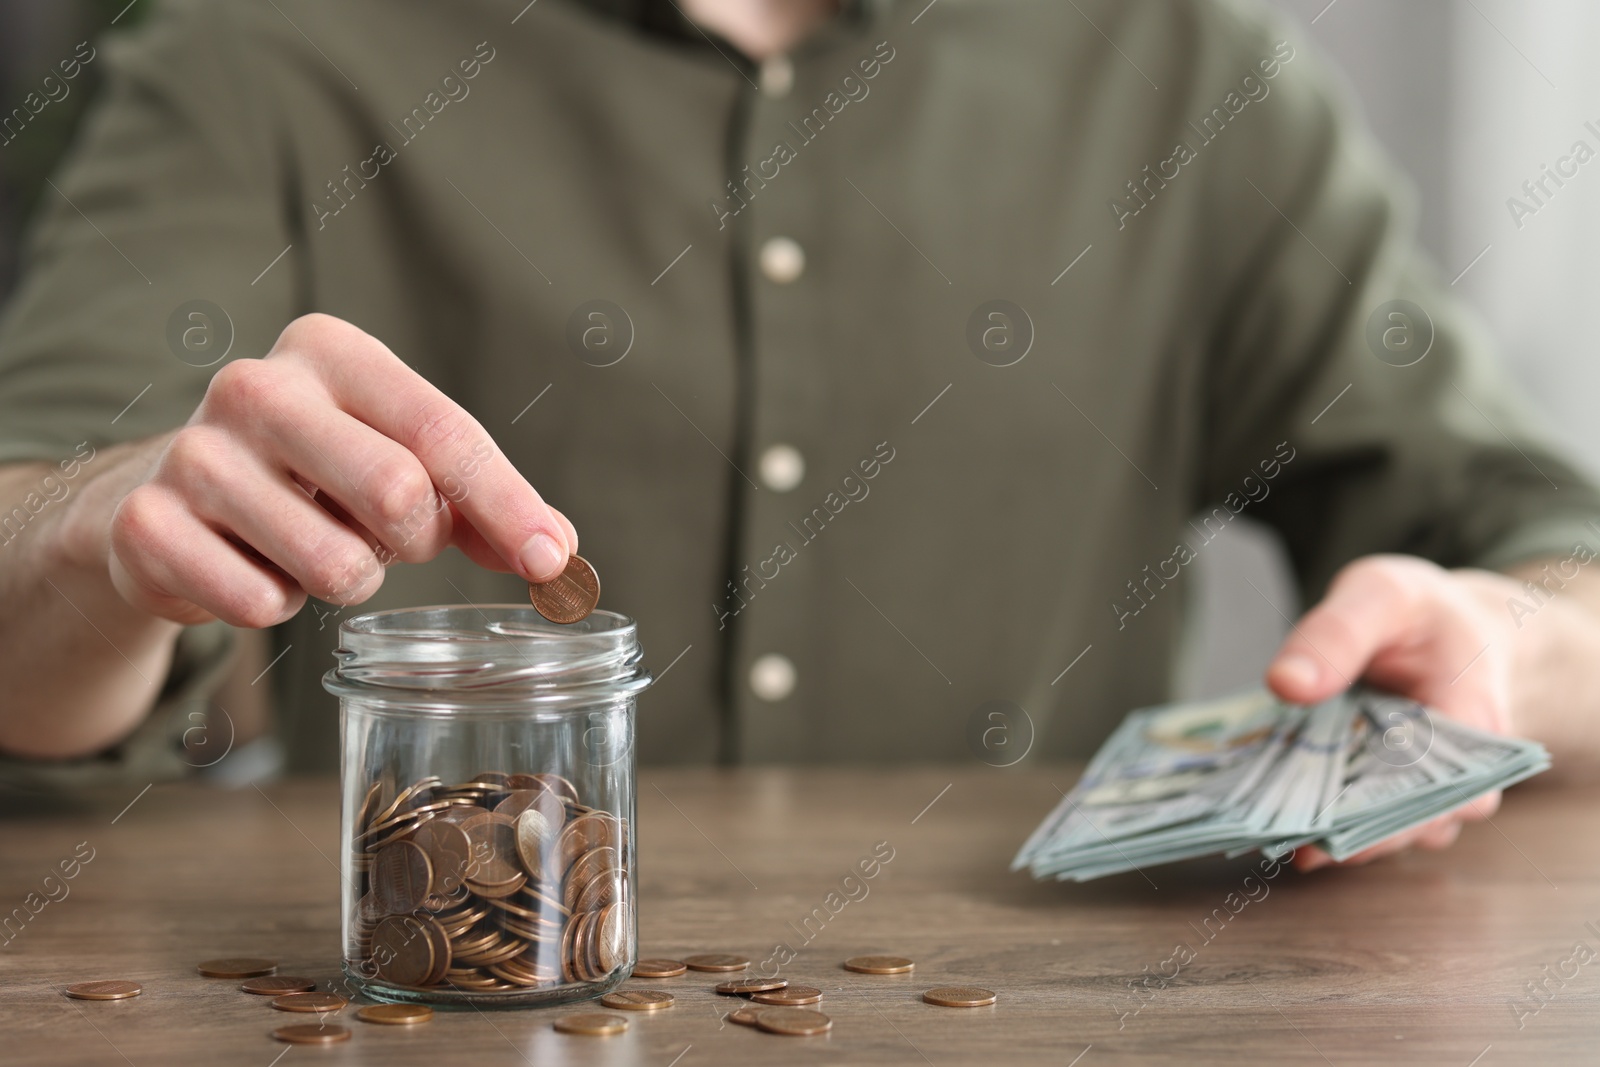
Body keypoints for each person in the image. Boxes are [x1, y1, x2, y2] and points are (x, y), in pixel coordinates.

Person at [2, 0, 1599, 873]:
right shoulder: (249, 48)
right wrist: (95, 531)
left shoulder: (1193, 63)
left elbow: (1558, 557)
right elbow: (34, 536)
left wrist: (1506, 644)